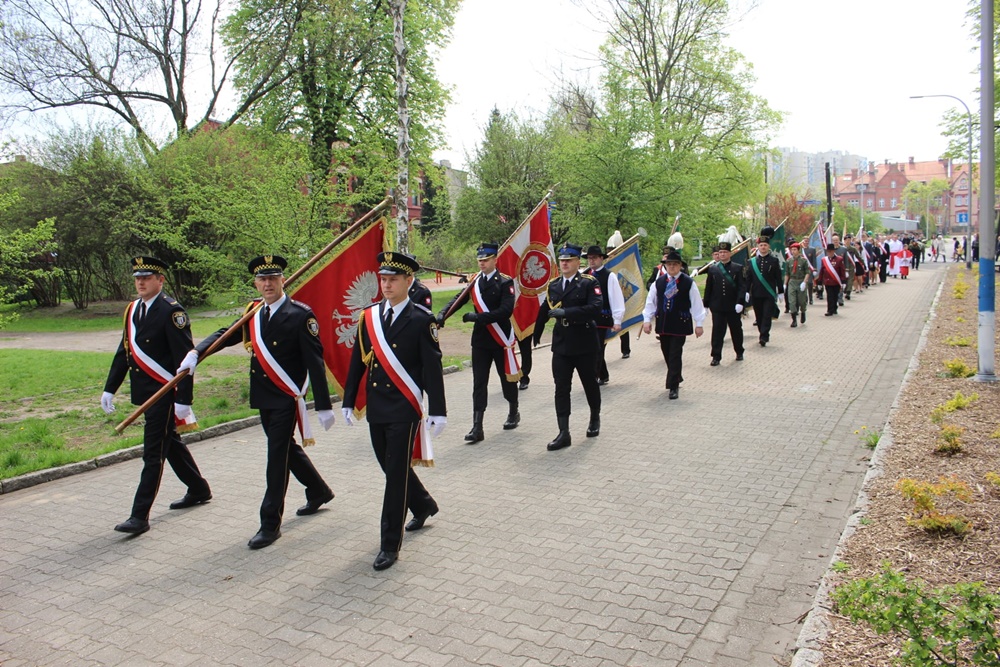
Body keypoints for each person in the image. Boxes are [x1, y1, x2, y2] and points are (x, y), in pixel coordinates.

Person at [180, 255, 336, 550]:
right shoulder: (253, 311)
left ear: (283, 281)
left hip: (286, 396)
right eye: (262, 280)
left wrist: (324, 405)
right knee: (285, 448)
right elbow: (225, 334)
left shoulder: (301, 315)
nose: (267, 284)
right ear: (256, 283)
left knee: (275, 457)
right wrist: (197, 353)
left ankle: (269, 524)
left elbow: (315, 362)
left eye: (273, 278)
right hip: (263, 394)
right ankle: (318, 490)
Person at [341, 251, 447, 572]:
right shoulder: (369, 317)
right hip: (377, 407)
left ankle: (390, 544)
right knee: (388, 466)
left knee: (395, 475)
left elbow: (432, 369)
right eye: (383, 279)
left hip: (405, 407)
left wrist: (438, 410)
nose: (386, 285)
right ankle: (425, 504)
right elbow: (358, 363)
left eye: (393, 279)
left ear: (408, 281)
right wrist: (348, 400)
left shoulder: (421, 320)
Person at [102, 256, 212, 536]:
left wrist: (184, 401)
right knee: (169, 442)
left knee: (153, 453)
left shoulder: (172, 312)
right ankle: (199, 489)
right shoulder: (132, 310)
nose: (140, 282)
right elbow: (124, 351)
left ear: (160, 281)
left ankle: (139, 516)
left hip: (165, 394)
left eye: (147, 278)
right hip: (145, 392)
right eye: (137, 278)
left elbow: (186, 359)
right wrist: (110, 388)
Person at [438, 242, 520, 443]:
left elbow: (506, 311)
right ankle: (477, 426)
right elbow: (459, 299)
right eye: (480, 260)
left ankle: (513, 410)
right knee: (479, 383)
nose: (482, 264)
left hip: (500, 338)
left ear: (495, 259)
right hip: (481, 341)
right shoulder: (475, 281)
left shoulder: (505, 282)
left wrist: (478, 318)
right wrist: (442, 314)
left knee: (506, 379)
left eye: (486, 260)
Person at [533, 243, 603, 451]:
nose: (564, 263)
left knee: (589, 383)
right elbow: (544, 308)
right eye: (562, 260)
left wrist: (568, 313)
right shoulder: (554, 285)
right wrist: (536, 333)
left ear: (577, 262)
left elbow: (596, 308)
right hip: (562, 344)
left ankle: (594, 418)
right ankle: (564, 432)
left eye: (568, 260)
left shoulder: (589, 283)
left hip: (584, 342)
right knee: (561, 388)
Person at [642, 249, 705, 398]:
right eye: (669, 264)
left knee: (675, 354)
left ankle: (673, 385)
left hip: (680, 323)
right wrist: (646, 320)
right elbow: (651, 302)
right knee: (666, 351)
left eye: (675, 264)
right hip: (664, 323)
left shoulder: (688, 282)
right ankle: (676, 376)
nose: (672, 267)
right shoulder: (659, 283)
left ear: (680, 266)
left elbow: (696, 303)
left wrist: (699, 323)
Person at [584, 245, 625, 385]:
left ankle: (594, 377)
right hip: (587, 318)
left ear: (601, 258)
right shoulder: (585, 275)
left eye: (594, 258)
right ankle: (603, 374)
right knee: (592, 347)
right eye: (589, 258)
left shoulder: (609, 276)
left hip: (602, 317)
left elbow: (616, 297)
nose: (591, 261)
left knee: (597, 348)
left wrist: (617, 320)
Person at [702, 241, 746, 365]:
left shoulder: (737, 268)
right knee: (717, 332)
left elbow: (741, 287)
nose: (722, 254)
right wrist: (706, 304)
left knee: (736, 330)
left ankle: (739, 351)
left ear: (730, 253)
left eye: (725, 252)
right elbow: (708, 287)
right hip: (717, 306)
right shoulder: (713, 269)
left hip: (733, 306)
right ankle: (716, 356)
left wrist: (740, 302)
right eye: (720, 252)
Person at [746, 235, 783, 347]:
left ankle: (764, 336)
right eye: (761, 245)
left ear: (768, 247)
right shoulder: (751, 262)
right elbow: (748, 278)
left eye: (765, 245)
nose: (763, 247)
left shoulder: (774, 261)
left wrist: (780, 291)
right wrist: (747, 291)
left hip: (769, 294)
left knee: (767, 315)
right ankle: (762, 332)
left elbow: (778, 277)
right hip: (756, 293)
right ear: (758, 246)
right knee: (759, 315)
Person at [783, 243, 812, 328]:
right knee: (792, 301)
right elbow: (787, 273)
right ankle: (794, 320)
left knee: (801, 301)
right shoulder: (789, 261)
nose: (793, 251)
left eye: (795, 249)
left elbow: (807, 272)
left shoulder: (803, 260)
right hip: (792, 281)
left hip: (801, 280)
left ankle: (803, 312)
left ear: (798, 250)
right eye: (792, 250)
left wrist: (804, 282)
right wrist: (785, 284)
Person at [818, 243, 847, 315]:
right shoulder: (824, 260)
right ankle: (830, 310)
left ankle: (834, 308)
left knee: (835, 296)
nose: (829, 253)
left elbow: (842, 271)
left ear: (834, 251)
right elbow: (822, 271)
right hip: (828, 281)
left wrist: (843, 281)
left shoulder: (839, 259)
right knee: (829, 296)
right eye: (828, 251)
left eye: (830, 251)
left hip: (836, 281)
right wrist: (819, 282)